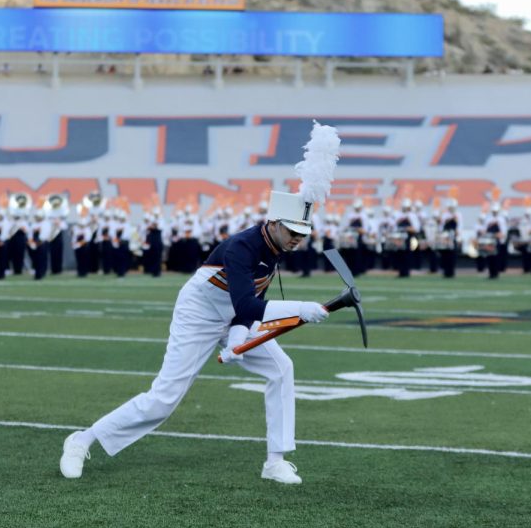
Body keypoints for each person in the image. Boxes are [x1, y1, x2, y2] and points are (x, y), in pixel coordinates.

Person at [60, 191, 329, 486]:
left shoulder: (276, 248)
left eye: (303, 234)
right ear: (274, 223)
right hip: (199, 313)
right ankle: (82, 440)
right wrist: (301, 309)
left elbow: (250, 301)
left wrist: (238, 336)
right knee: (163, 399)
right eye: (293, 232)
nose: (297, 239)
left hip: (234, 313)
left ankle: (275, 462)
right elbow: (248, 304)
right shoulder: (243, 246)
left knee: (281, 368)